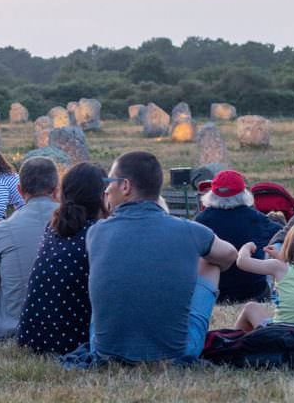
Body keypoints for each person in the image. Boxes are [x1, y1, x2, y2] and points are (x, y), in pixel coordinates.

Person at [79, 151, 237, 365]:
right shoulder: (190, 231)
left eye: (110, 182)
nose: (106, 189)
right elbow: (229, 255)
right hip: (176, 353)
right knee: (210, 264)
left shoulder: (96, 232)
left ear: (125, 186)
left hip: (104, 350)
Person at [17, 162, 107, 354]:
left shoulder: (53, 228)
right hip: (71, 340)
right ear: (102, 196)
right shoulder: (98, 233)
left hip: (32, 335)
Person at [0, 156, 59, 341]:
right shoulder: (79, 223)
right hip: (66, 321)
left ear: (19, 190)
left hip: (13, 326)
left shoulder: (1, 230)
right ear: (57, 188)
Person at [195, 170, 281, 303]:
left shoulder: (202, 220)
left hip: (215, 291)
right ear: (243, 193)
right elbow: (282, 235)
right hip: (253, 292)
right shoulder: (257, 219)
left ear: (212, 194)